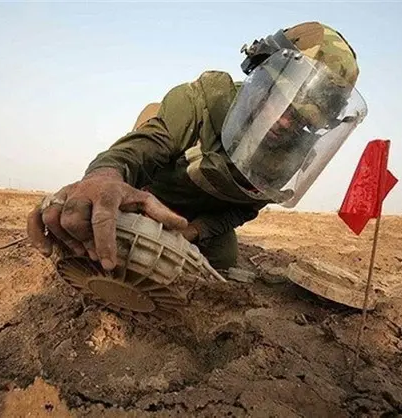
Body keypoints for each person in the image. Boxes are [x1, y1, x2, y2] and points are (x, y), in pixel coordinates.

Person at [27, 21, 368, 272]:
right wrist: (104, 177)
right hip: (148, 195)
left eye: (302, 118)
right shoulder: (202, 101)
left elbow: (242, 210)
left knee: (222, 261)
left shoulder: (290, 158)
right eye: (280, 99)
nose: (284, 122)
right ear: (260, 76)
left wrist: (193, 231)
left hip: (194, 215)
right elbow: (143, 147)